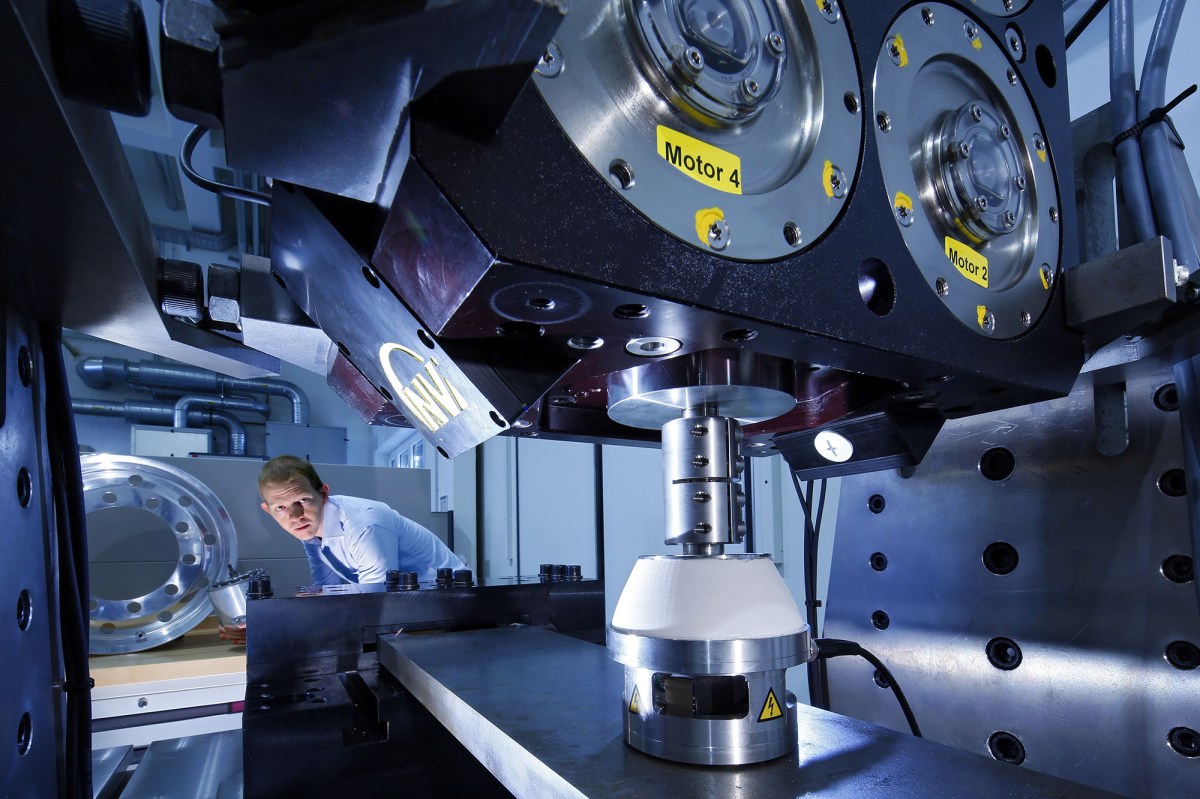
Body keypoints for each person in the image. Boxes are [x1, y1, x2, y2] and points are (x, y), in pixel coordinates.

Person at [218, 455, 465, 644]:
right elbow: (326, 593)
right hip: (405, 610)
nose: (294, 516)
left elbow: (375, 606)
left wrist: (278, 629)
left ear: (323, 493)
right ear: (267, 510)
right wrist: (267, 623)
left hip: (450, 609)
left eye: (302, 501)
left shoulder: (363, 526)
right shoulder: (310, 530)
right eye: (280, 508)